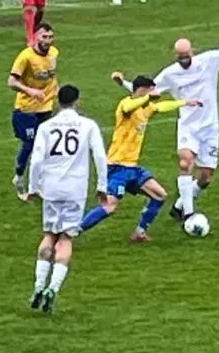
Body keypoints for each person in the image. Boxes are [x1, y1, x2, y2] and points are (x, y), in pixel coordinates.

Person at [114, 14, 219, 224]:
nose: (183, 59)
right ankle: (189, 214)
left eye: (186, 55)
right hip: (188, 127)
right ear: (175, 55)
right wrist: (123, 83)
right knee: (185, 163)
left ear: (192, 51)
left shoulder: (209, 61)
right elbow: (146, 93)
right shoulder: (170, 74)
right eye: (180, 56)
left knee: (206, 176)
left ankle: (179, 205)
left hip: (210, 127)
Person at [81, 76, 200, 242]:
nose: (155, 92)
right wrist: (147, 97)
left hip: (132, 167)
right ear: (142, 89)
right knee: (109, 206)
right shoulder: (126, 104)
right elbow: (129, 107)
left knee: (159, 195)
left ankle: (139, 233)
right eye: (151, 89)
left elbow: (160, 106)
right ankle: (72, 231)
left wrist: (184, 103)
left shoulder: (146, 107)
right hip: (117, 166)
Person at [26, 85, 108, 312]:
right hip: (75, 189)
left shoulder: (46, 127)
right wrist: (102, 186)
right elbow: (99, 156)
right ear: (77, 101)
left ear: (57, 101)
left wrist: (33, 187)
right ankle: (52, 288)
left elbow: (36, 159)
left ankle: (38, 285)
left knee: (49, 235)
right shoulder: (88, 125)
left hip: (51, 188)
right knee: (66, 238)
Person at [7, 22, 59, 199]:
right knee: (29, 145)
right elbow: (11, 82)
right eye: (44, 37)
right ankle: (19, 176)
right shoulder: (25, 57)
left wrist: (56, 92)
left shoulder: (54, 53)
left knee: (44, 146)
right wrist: (30, 91)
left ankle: (38, 183)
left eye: (50, 37)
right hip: (26, 109)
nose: (48, 41)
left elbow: (51, 75)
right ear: (36, 36)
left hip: (45, 107)